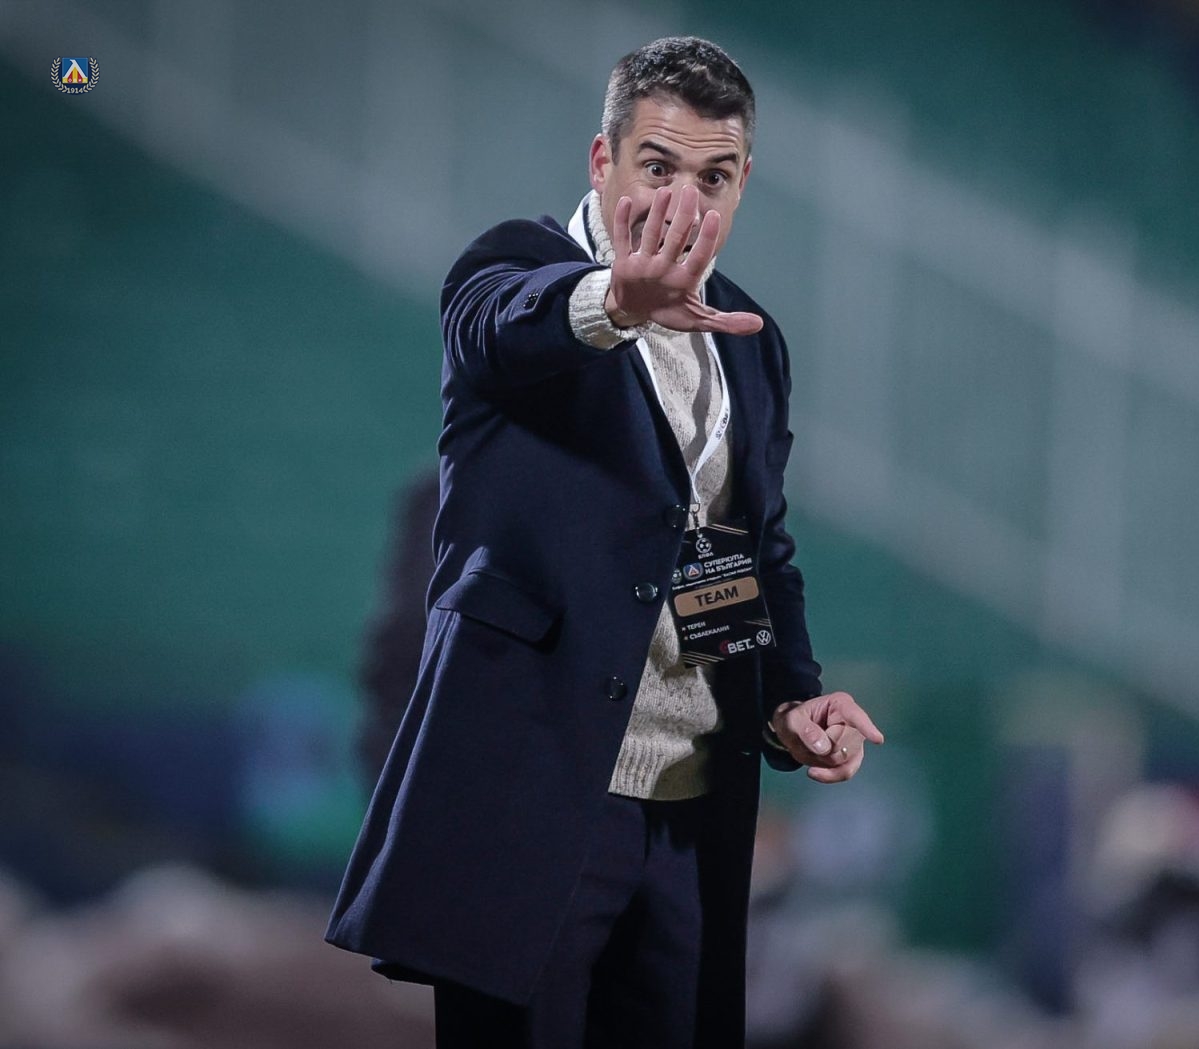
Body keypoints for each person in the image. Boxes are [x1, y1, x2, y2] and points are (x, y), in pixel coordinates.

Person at [325, 36, 884, 1049]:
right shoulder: (511, 267)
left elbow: (751, 544)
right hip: (534, 807)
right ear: (601, 161)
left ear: (744, 182)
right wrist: (617, 301)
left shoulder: (750, 336)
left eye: (714, 177)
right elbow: (500, 331)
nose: (683, 203)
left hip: (691, 817)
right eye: (657, 166)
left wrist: (791, 700)